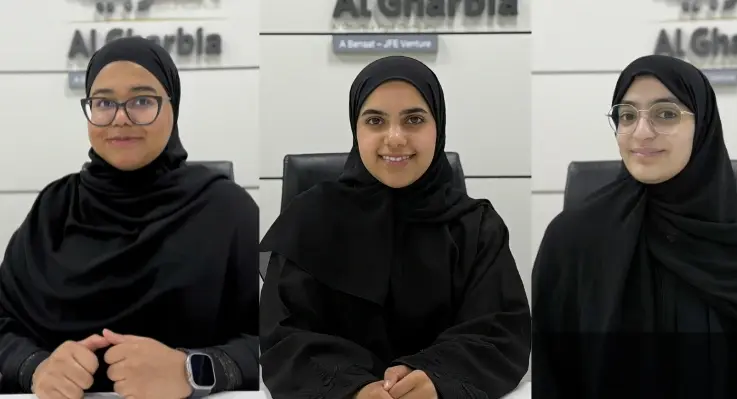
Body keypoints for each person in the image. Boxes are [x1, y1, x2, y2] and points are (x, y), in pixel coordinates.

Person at [0, 37, 259, 397]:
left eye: (141, 101)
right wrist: (35, 367)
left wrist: (192, 370)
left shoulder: (227, 211)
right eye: (104, 102)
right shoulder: (53, 209)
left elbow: (276, 341)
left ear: (173, 107)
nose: (121, 118)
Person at [259, 56, 530, 399]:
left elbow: (502, 331)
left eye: (414, 119)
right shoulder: (309, 219)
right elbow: (283, 336)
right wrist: (353, 388)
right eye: (375, 120)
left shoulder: (476, 227)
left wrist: (434, 376)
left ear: (439, 127)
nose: (396, 138)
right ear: (356, 130)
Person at [531, 54, 737, 399]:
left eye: (666, 114)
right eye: (627, 115)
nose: (641, 132)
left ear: (704, 127)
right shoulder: (573, 239)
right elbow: (553, 374)